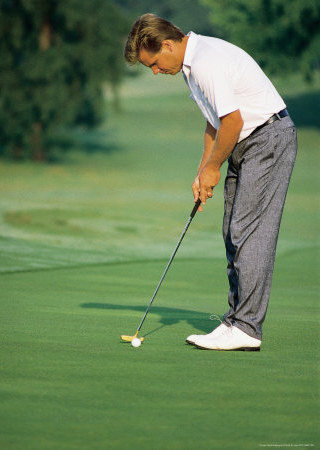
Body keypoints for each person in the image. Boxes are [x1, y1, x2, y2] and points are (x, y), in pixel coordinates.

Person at [124, 14, 297, 351]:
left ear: (168, 45)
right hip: (246, 143)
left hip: (267, 138)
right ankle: (236, 321)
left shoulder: (206, 62)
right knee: (233, 231)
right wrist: (203, 171)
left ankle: (246, 328)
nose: (156, 72)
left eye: (155, 64)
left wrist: (214, 168)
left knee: (247, 231)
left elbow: (233, 121)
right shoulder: (192, 67)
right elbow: (214, 123)